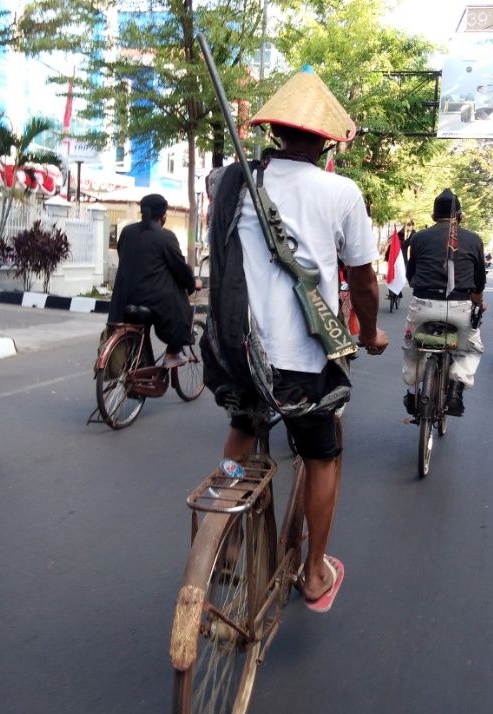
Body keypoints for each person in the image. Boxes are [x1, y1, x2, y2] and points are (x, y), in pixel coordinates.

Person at [204, 67, 388, 612]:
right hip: (303, 365)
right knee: (322, 456)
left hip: (238, 352)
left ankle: (224, 530)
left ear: (278, 132)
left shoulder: (236, 182)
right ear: (327, 140)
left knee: (243, 429)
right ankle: (312, 572)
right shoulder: (342, 192)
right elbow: (362, 279)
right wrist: (371, 330)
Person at [402, 188, 485, 418]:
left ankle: (411, 392)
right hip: (460, 307)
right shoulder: (474, 239)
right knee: (472, 348)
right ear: (460, 216)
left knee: (411, 348)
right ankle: (457, 389)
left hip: (423, 306)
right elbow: (479, 282)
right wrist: (478, 302)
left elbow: (411, 275)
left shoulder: (419, 238)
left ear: (433, 217)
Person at [108, 194, 202, 367]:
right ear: (163, 215)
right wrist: (192, 283)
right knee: (183, 309)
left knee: (139, 331)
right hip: (154, 301)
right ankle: (173, 353)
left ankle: (141, 366)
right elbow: (179, 267)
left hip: (125, 298)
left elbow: (125, 256)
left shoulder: (127, 232)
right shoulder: (165, 236)